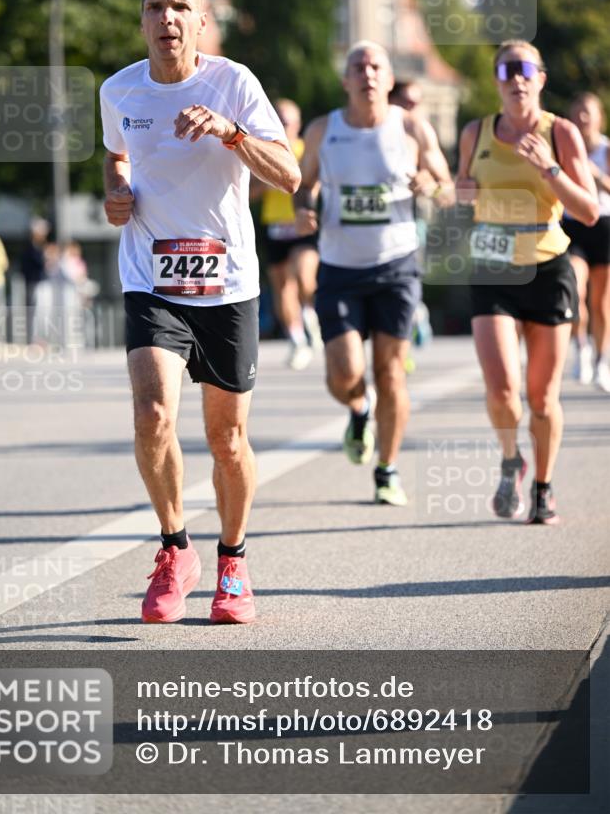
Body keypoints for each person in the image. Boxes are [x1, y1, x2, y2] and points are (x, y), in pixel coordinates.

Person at [101, 0, 300, 625]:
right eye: (155, 6)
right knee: (152, 412)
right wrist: (117, 191)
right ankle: (174, 547)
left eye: (180, 6)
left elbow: (289, 175)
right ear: (141, 20)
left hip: (227, 284)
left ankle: (233, 561)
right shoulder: (117, 90)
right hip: (151, 277)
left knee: (227, 438)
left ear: (201, 20)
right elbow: (116, 154)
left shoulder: (233, 83)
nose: (167, 18)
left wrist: (229, 132)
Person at [295, 41, 453, 505]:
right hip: (340, 268)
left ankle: (387, 470)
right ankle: (358, 410)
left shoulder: (411, 127)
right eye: (358, 67)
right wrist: (304, 209)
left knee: (390, 373)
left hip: (396, 266)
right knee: (344, 375)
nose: (367, 73)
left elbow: (447, 188)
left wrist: (430, 184)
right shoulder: (323, 129)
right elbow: (303, 185)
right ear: (345, 80)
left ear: (388, 79)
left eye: (375, 66)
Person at [456, 40, 598, 526]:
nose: (516, 78)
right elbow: (462, 196)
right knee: (502, 391)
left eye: (525, 69)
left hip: (547, 266)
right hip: (492, 267)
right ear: (496, 81)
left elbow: (588, 211)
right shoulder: (475, 133)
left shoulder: (560, 132)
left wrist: (549, 169)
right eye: (506, 69)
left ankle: (543, 486)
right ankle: (510, 458)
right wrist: (460, 194)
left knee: (541, 397)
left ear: (541, 79)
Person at [252, 98, 322, 369]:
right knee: (282, 288)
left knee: (305, 277)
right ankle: (297, 339)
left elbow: (318, 183)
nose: (284, 124)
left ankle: (311, 316)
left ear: (298, 123)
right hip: (275, 226)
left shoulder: (306, 149)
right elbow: (248, 192)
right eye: (279, 119)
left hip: (301, 223)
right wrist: (266, 182)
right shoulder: (264, 149)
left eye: (288, 120)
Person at [563, 92, 610, 392]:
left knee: (602, 303)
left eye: (587, 112)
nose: (582, 118)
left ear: (599, 117)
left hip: (603, 225)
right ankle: (581, 347)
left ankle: (602, 361)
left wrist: (595, 175)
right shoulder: (564, 148)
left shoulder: (606, 150)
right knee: (574, 291)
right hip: (573, 225)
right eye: (577, 112)